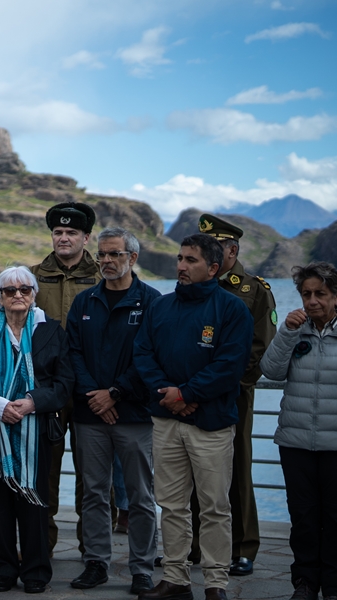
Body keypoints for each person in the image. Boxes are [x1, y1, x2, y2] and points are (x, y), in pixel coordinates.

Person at [133, 234, 253, 600]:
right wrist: (170, 396)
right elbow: (143, 355)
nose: (181, 266)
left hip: (211, 424)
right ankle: (175, 579)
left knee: (215, 507)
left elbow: (229, 366)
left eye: (191, 260)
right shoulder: (160, 307)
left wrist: (185, 394)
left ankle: (215, 583)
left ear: (212, 268)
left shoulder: (233, 310)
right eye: (180, 259)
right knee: (171, 505)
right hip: (166, 422)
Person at [260, 262, 337, 600]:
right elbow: (271, 371)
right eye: (306, 294)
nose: (312, 300)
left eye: (320, 294)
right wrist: (286, 331)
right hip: (296, 442)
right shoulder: (294, 331)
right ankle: (304, 583)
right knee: (302, 518)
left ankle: (334, 587)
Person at [0, 266, 72, 594]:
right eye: (9, 291)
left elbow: (64, 384)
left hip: (36, 430)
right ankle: (1, 570)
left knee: (35, 503)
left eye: (24, 289)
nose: (17, 295)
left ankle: (37, 571)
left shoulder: (51, 331)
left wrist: (31, 402)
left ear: (34, 294)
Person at [65, 227, 161, 594]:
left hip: (134, 416)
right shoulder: (85, 302)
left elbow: (151, 357)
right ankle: (96, 563)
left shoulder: (153, 302)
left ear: (132, 258)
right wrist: (95, 395)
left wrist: (116, 393)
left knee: (140, 495)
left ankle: (142, 568)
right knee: (93, 492)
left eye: (114, 254)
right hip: (90, 416)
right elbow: (72, 353)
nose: (106, 261)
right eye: (102, 254)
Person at [195, 213, 278, 577]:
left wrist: (225, 385)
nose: (208, 254)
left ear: (232, 249)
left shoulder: (254, 290)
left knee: (238, 468)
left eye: (215, 248)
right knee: (194, 469)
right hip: (194, 395)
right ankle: (198, 545)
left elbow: (261, 349)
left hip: (234, 395)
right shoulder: (198, 286)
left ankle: (243, 547)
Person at [31, 201, 100, 555]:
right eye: (58, 232)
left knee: (94, 477)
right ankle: (42, 544)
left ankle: (93, 551)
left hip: (93, 390)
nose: (63, 238)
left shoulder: (105, 277)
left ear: (86, 237)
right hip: (47, 391)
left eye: (72, 232)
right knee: (45, 473)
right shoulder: (30, 278)